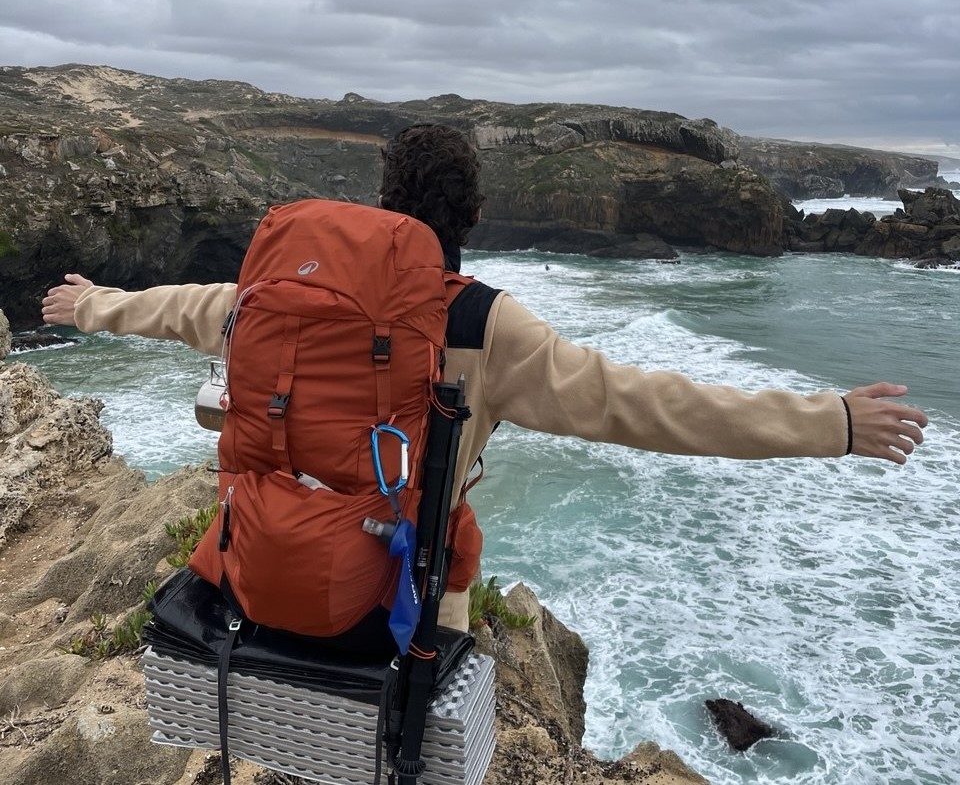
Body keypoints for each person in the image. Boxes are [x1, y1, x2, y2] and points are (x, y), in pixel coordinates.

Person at [42, 123, 928, 632]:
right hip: (405, 586)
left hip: (263, 556)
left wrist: (90, 305)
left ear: (385, 197)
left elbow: (173, 307)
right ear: (471, 212)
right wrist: (831, 423)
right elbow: (651, 405)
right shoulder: (486, 324)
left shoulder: (274, 299)